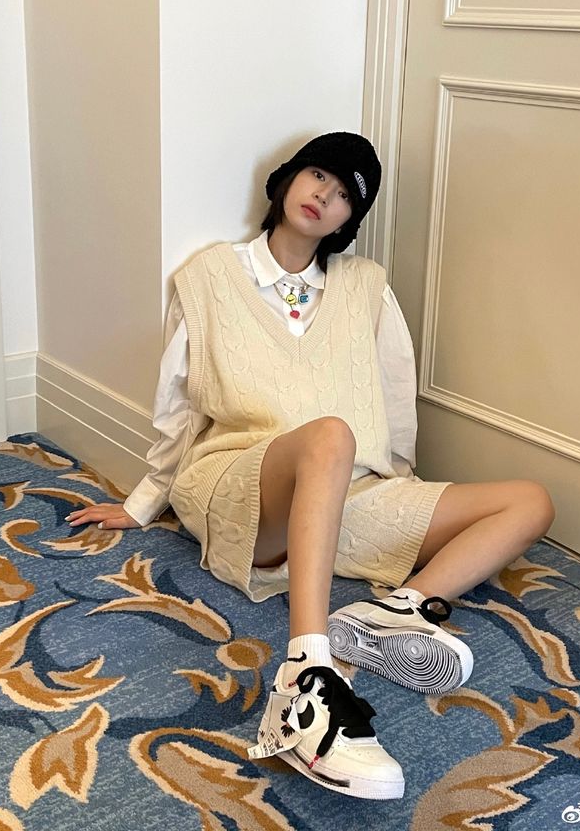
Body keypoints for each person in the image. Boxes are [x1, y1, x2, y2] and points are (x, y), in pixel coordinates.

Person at [66, 132, 555, 800]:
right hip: (240, 481)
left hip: (346, 487)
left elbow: (394, 393)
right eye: (319, 175)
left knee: (530, 501)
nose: (326, 195)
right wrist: (145, 500)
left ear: (350, 218)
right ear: (289, 178)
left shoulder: (366, 286)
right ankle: (304, 676)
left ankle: (395, 612)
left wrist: (401, 484)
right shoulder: (211, 278)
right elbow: (178, 403)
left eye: (345, 194)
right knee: (329, 434)